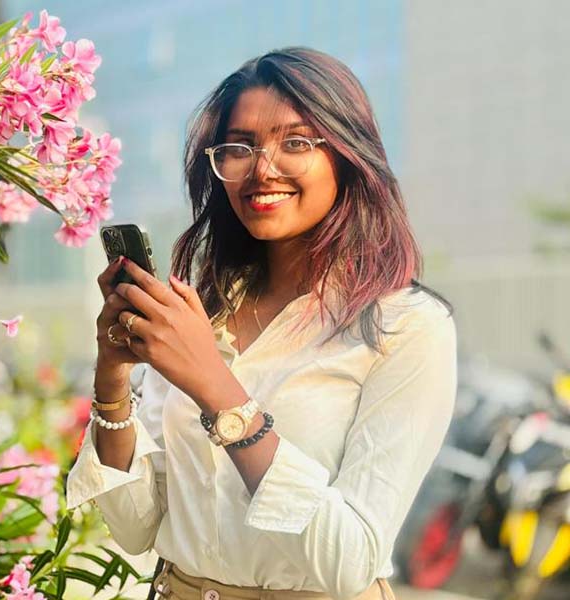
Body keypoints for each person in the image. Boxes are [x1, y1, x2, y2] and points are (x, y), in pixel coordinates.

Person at [66, 46, 457, 600]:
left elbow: (348, 561)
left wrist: (215, 387)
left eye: (296, 142)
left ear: (348, 156)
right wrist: (112, 377)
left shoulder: (407, 327)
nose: (262, 168)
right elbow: (136, 530)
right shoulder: (204, 313)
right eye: (239, 147)